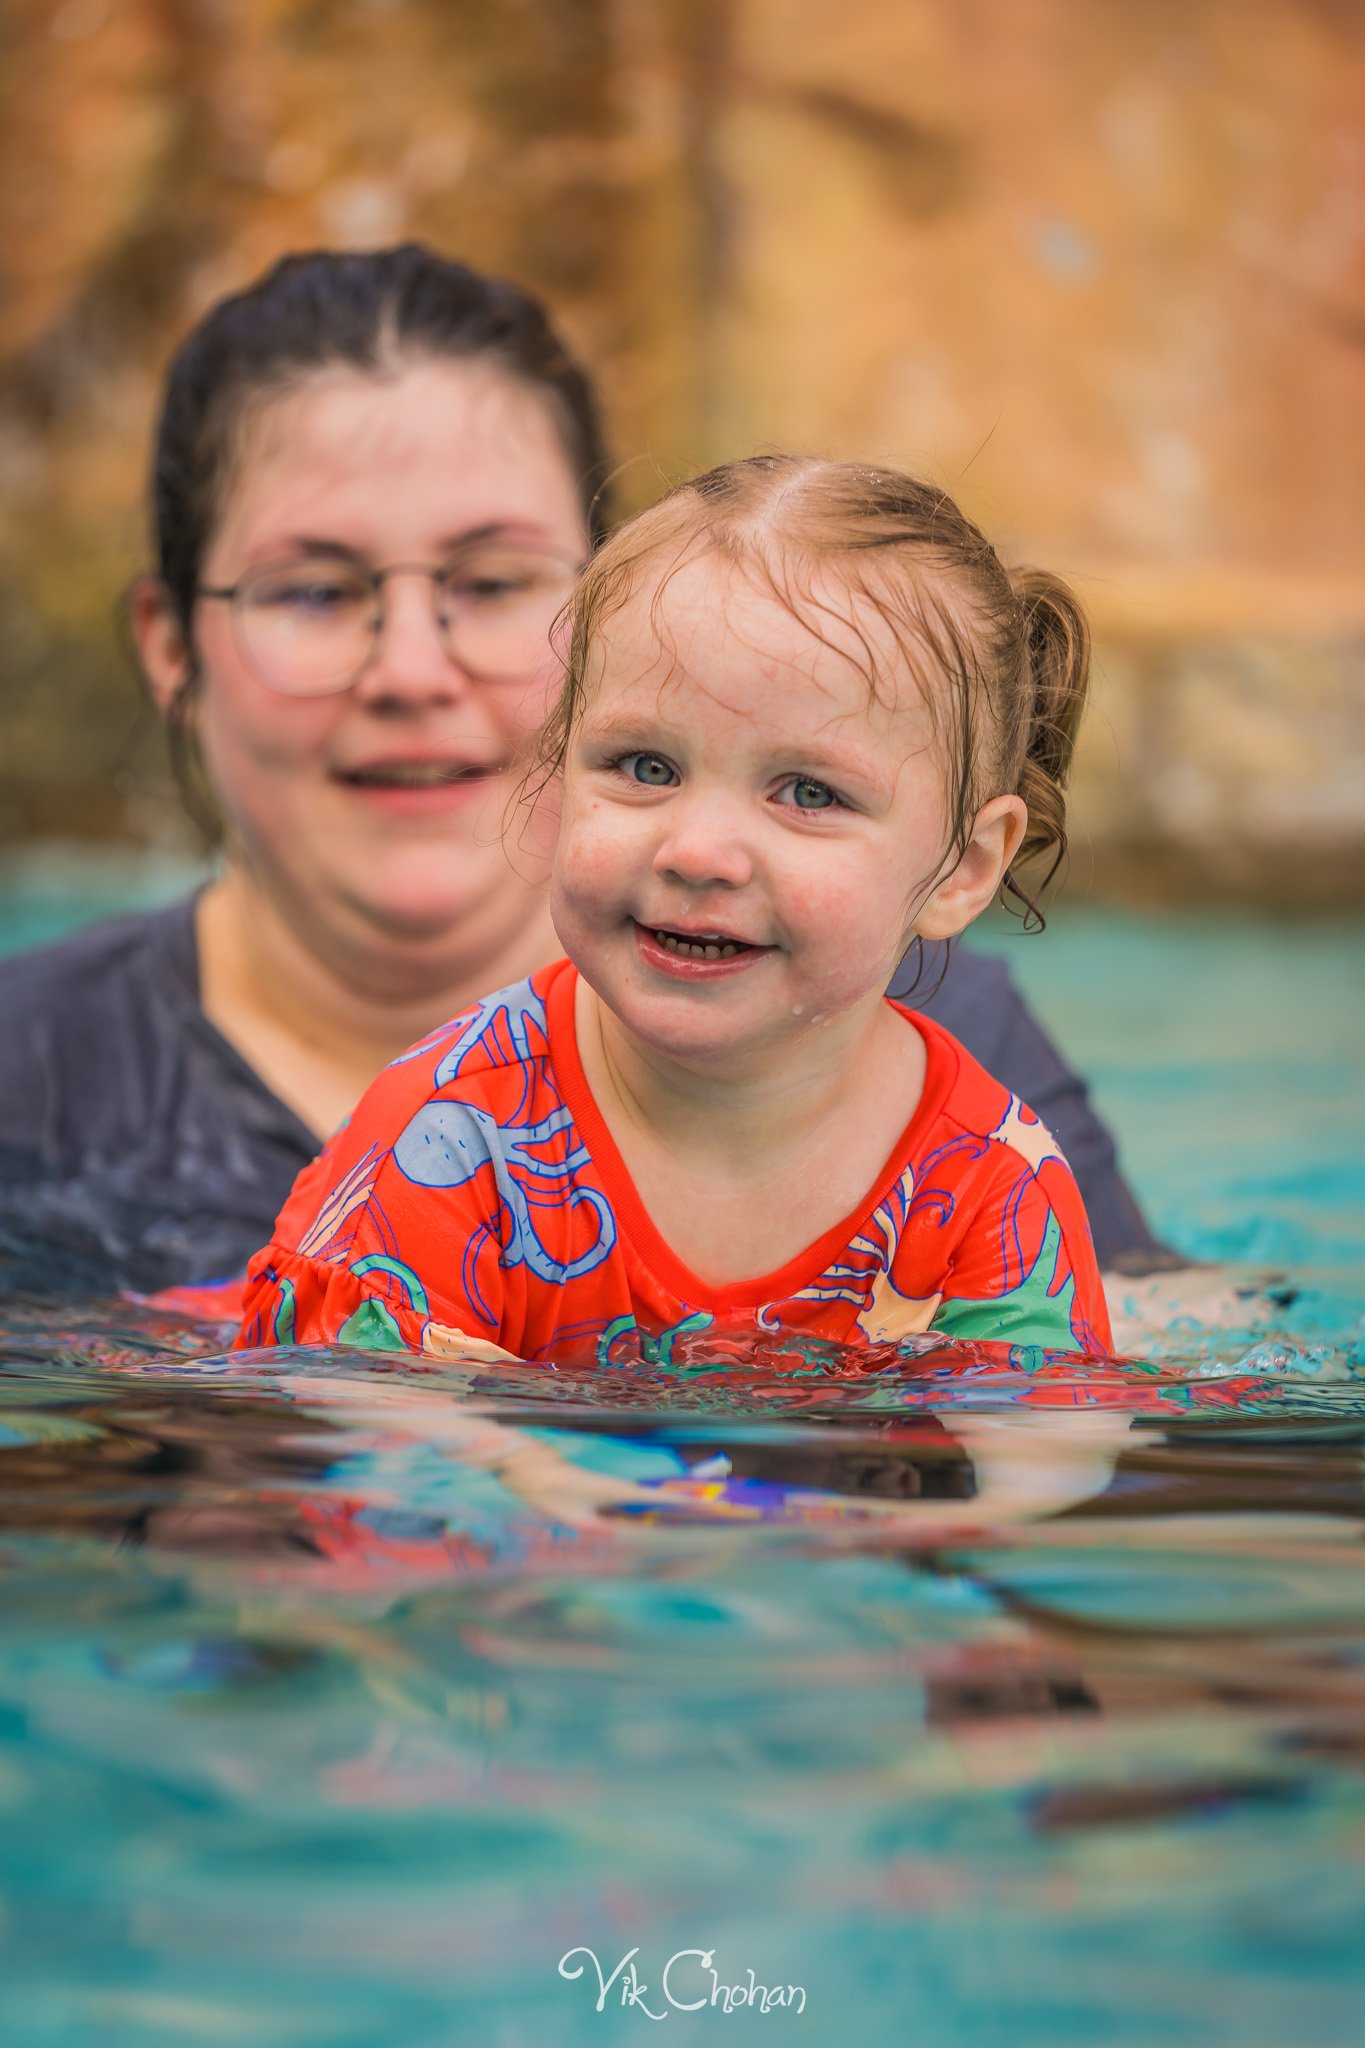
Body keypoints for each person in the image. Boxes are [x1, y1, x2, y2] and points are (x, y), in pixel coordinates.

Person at [0, 246, 1166, 1301]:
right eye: (313, 590)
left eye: (498, 581)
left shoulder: (913, 1029)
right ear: (168, 647)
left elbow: (1144, 1403)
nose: (412, 669)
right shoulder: (27, 1076)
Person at [236, 455, 1113, 1364]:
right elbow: (365, 1450)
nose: (696, 852)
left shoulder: (988, 1183)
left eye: (808, 793)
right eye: (645, 767)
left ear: (961, 869)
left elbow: (1039, 1473)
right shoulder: (449, 1144)